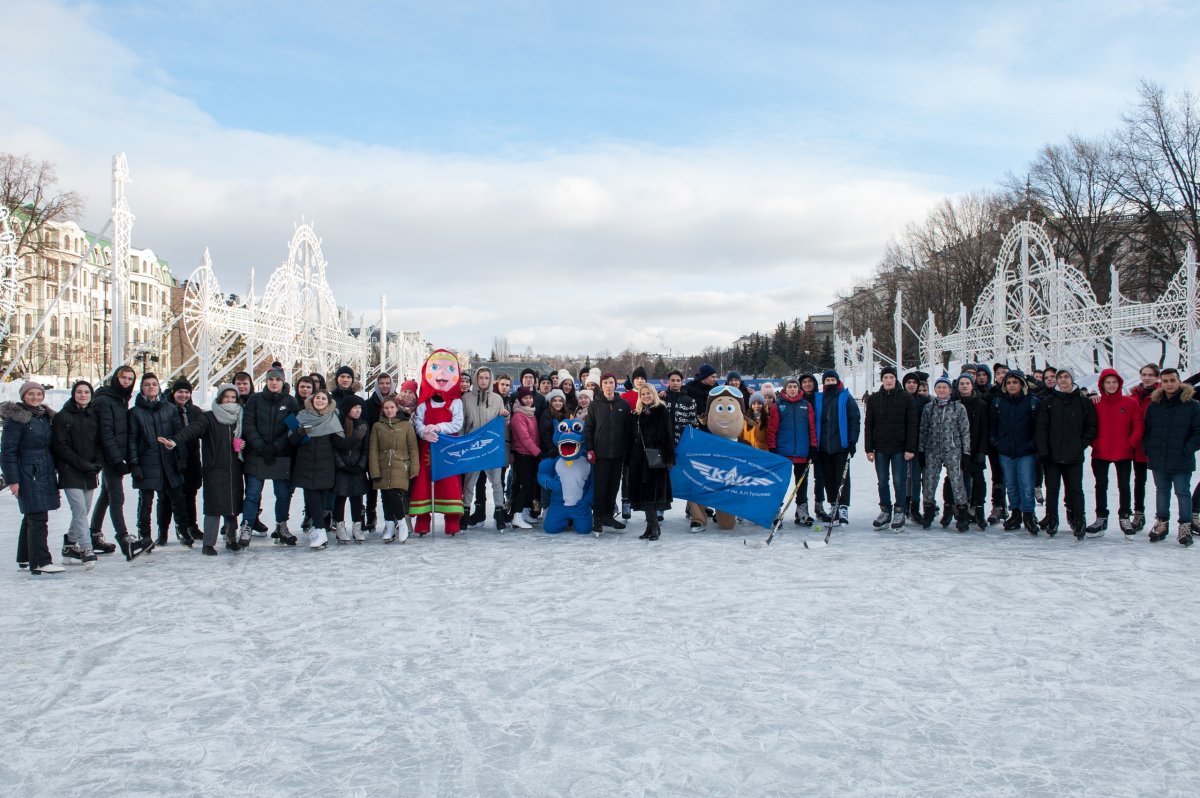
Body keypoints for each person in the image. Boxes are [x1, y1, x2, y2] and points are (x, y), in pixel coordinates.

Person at [159, 384, 249, 555]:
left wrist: (243, 444)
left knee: (232, 506)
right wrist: (174, 441)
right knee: (214, 507)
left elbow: (247, 436)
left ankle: (231, 539)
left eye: (233, 397)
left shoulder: (240, 416)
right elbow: (191, 431)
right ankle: (208, 543)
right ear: (220, 398)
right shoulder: (209, 417)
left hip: (234, 468)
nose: (229, 400)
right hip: (215, 468)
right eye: (226, 397)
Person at [2, 382, 65, 574]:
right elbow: (7, 452)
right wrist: (13, 480)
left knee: (31, 515)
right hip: (28, 471)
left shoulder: (44, 416)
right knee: (38, 516)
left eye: (39, 393)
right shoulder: (17, 419)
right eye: (31, 394)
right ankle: (40, 561)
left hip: (44, 469)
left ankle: (25, 556)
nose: (35, 397)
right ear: (23, 396)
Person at [127, 373, 193, 548]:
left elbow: (178, 434)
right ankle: (145, 535)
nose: (150, 387)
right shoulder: (135, 413)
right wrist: (134, 463)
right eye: (147, 384)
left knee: (178, 498)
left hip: (168, 460)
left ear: (158, 387)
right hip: (147, 461)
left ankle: (182, 530)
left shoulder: (170, 409)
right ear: (142, 388)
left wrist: (181, 457)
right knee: (146, 501)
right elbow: (132, 440)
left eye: (154, 384)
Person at [1035, 369, 1097, 539]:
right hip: (1052, 456)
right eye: (1060, 377)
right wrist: (1044, 451)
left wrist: (1081, 445)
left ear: (1072, 379)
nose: (1063, 380)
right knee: (1052, 489)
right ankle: (1052, 519)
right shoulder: (1048, 402)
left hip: (1073, 455)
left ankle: (1079, 520)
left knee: (1075, 490)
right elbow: (1041, 429)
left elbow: (1091, 427)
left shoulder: (1083, 402)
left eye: (1066, 377)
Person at [240, 368, 299, 545]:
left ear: (283, 382)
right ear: (266, 381)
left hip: (279, 455)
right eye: (271, 379)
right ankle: (247, 525)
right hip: (257, 454)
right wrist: (260, 445)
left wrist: (276, 446)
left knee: (282, 494)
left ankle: (281, 525)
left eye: (278, 380)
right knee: (252, 494)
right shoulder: (255, 400)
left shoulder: (290, 402)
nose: (274, 382)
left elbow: (292, 427)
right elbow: (248, 424)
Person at [411, 349, 467, 535]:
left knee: (449, 484)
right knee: (424, 483)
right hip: (427, 448)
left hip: (447, 448)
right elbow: (418, 421)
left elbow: (457, 423)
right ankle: (423, 520)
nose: (442, 375)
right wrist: (423, 432)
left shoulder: (455, 402)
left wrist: (438, 428)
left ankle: (452, 521)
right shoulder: (423, 403)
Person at [1142, 368, 1200, 545]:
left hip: (1181, 458)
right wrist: (1149, 449)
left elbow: (1198, 432)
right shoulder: (1155, 405)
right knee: (1161, 491)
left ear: (1179, 381)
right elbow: (1148, 430)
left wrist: (1186, 449)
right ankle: (1162, 523)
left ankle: (1185, 526)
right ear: (1161, 382)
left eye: (1172, 380)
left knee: (1182, 492)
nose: (1169, 384)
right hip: (1159, 457)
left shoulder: (1192, 405)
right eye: (1165, 381)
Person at [52, 381, 104, 566]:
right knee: (80, 511)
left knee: (84, 509)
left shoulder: (93, 416)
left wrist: (97, 462)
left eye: (86, 392)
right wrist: (82, 464)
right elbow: (60, 446)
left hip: (89, 471)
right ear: (74, 394)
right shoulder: (62, 417)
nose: (83, 395)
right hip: (71, 471)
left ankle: (69, 544)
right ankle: (86, 548)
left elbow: (98, 442)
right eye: (79, 392)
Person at [1086, 368, 1143, 537]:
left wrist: (1130, 443)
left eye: (1114, 382)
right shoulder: (1095, 403)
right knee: (1100, 485)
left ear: (1119, 384)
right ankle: (1101, 517)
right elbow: (1088, 425)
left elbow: (1138, 425)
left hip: (1123, 452)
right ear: (1102, 384)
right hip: (1100, 451)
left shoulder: (1130, 403)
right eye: (1107, 382)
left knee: (1124, 485)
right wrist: (1094, 443)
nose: (1111, 385)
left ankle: (1125, 516)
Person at [88, 365, 136, 556]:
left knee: (106, 495)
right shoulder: (105, 400)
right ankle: (124, 538)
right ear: (116, 378)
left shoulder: (120, 399)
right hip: (109, 456)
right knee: (117, 496)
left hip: (114, 454)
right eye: (123, 377)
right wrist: (116, 460)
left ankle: (94, 533)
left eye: (130, 379)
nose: (126, 381)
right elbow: (106, 433)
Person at [863, 366, 917, 530]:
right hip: (880, 448)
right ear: (882, 380)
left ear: (895, 379)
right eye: (886, 377)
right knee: (883, 481)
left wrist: (910, 448)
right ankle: (885, 510)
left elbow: (912, 425)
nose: (888, 380)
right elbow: (869, 425)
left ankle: (899, 509)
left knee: (899, 481)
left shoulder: (906, 398)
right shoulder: (874, 399)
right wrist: (869, 448)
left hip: (899, 448)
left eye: (891, 378)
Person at [290, 389, 344, 549]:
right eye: (317, 398)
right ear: (312, 400)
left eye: (324, 399)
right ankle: (320, 530)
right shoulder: (302, 416)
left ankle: (319, 530)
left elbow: (339, 442)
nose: (320, 401)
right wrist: (299, 433)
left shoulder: (333, 418)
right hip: (305, 463)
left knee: (320, 498)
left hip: (325, 463)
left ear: (329, 402)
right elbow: (292, 442)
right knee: (311, 497)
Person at [989, 370, 1040, 534]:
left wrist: (1033, 443)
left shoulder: (1032, 402)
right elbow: (993, 425)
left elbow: (1038, 426)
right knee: (1010, 484)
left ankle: (1028, 514)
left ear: (1022, 384)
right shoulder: (999, 402)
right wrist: (996, 441)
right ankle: (1015, 513)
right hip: (1006, 450)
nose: (1011, 385)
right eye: (1008, 383)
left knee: (1026, 483)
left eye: (1015, 382)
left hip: (1026, 450)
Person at [919, 376, 971, 531]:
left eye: (945, 388)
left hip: (952, 449)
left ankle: (962, 513)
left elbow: (965, 431)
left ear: (950, 390)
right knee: (929, 481)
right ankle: (928, 510)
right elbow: (923, 430)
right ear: (935, 390)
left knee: (957, 482)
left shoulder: (958, 408)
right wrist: (921, 450)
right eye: (939, 387)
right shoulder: (929, 408)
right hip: (932, 449)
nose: (942, 390)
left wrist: (966, 452)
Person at [461, 366, 510, 530]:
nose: (483, 381)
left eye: (486, 378)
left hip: (491, 446)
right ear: (476, 379)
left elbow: (504, 424)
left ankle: (500, 513)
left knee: (497, 482)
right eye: (480, 378)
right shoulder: (466, 398)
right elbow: (462, 423)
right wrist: (462, 443)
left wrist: (505, 415)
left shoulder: (497, 399)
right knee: (469, 482)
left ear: (490, 380)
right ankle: (465, 513)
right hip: (473, 446)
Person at [627, 383, 675, 541]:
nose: (646, 396)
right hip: (639, 460)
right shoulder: (637, 414)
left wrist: (669, 457)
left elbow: (668, 435)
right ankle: (651, 526)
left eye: (648, 393)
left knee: (652, 494)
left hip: (656, 458)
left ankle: (654, 526)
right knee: (644, 494)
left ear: (653, 394)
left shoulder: (662, 411)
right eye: (643, 394)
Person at [369, 396, 420, 543]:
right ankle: (390, 526)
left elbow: (413, 448)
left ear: (397, 408)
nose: (389, 410)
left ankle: (402, 522)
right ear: (383, 410)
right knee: (385, 497)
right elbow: (373, 450)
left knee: (393, 494)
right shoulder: (377, 426)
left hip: (400, 465)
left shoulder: (406, 425)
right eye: (386, 408)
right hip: (383, 465)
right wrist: (374, 470)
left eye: (392, 407)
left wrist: (414, 468)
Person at [159, 377, 203, 545]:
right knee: (167, 498)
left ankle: (191, 526)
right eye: (180, 392)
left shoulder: (195, 411)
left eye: (186, 392)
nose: (183, 395)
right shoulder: (166, 410)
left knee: (190, 495)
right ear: (173, 393)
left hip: (192, 459)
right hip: (171, 458)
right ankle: (163, 531)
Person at [585, 373, 631, 532]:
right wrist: (590, 449)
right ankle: (597, 517)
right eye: (605, 383)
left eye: (611, 382)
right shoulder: (595, 405)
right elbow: (589, 428)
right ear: (601, 385)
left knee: (613, 487)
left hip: (618, 454)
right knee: (600, 487)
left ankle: (608, 516)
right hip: (601, 454)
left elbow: (628, 430)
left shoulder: (624, 405)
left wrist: (627, 450)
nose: (609, 385)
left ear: (615, 385)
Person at [813, 369, 860, 526]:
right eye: (827, 380)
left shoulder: (845, 397)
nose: (830, 382)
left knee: (842, 478)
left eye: (833, 380)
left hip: (841, 445)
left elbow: (854, 419)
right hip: (824, 447)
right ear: (824, 383)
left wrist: (853, 441)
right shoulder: (819, 399)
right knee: (828, 477)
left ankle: (843, 507)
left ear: (837, 381)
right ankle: (834, 504)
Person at [769, 377, 817, 527]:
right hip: (783, 452)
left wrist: (813, 446)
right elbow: (772, 429)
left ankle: (802, 511)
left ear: (798, 389)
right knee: (781, 483)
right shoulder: (778, 406)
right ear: (785, 389)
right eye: (789, 386)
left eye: (795, 387)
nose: (792, 389)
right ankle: (776, 510)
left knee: (801, 484)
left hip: (802, 452)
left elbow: (812, 428)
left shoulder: (806, 405)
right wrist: (772, 447)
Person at [945, 374, 989, 530]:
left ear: (972, 385)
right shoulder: (953, 405)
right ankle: (957, 511)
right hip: (957, 449)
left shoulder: (981, 405)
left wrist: (983, 450)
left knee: (978, 481)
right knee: (955, 480)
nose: (964, 386)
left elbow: (985, 429)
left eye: (967, 383)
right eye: (962, 383)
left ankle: (979, 511)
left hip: (976, 448)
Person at [330, 394, 371, 543]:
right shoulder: (337, 425)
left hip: (357, 467)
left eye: (360, 407)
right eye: (355, 407)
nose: (358, 410)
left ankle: (357, 526)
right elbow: (334, 448)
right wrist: (342, 465)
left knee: (357, 498)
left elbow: (366, 449)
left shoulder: (364, 425)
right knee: (340, 498)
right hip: (342, 468)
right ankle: (340, 527)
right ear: (347, 409)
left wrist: (360, 466)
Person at [363, 372, 396, 532]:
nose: (384, 386)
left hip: (392, 451)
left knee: (389, 488)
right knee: (372, 485)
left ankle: (391, 518)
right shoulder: (369, 404)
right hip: (375, 449)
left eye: (387, 383)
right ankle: (371, 514)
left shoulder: (397, 401)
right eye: (381, 383)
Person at [1128, 364, 1159, 531]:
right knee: (1139, 481)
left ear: (1157, 377)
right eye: (1144, 374)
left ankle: (1162, 517)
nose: (1147, 378)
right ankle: (1139, 513)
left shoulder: (1162, 395)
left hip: (1156, 445)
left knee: (1161, 484)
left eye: (1151, 375)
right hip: (1138, 446)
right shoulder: (1134, 396)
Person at [509, 386, 541, 529]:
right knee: (525, 485)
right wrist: (538, 452)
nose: (528, 400)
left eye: (530, 398)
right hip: (523, 455)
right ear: (519, 400)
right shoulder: (518, 416)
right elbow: (525, 438)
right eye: (525, 398)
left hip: (530, 455)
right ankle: (516, 515)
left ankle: (523, 514)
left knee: (529, 485)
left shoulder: (530, 414)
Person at [902, 371, 930, 522]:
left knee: (916, 477)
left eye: (914, 383)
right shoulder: (900, 399)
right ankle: (904, 503)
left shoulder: (924, 402)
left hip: (919, 444)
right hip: (902, 444)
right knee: (904, 477)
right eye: (909, 382)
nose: (912, 385)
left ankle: (915, 505)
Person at [662, 370, 698, 445]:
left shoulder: (690, 401)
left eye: (678, 380)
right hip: (663, 441)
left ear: (682, 382)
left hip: (682, 442)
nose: (675, 383)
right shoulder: (661, 398)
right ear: (668, 382)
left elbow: (693, 423)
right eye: (673, 380)